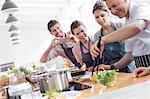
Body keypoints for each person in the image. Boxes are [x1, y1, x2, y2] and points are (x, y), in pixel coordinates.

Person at [90, 0, 150, 75]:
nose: (113, 11)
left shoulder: (141, 8)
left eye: (114, 6)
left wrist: (103, 40)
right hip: (140, 67)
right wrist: (111, 67)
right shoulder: (127, 22)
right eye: (110, 9)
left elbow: (137, 26)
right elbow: (129, 55)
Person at [92, 1, 135, 72]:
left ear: (108, 13)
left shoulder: (120, 26)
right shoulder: (97, 36)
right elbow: (100, 57)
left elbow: (131, 50)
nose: (100, 19)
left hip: (128, 65)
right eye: (97, 17)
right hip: (111, 69)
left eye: (102, 15)